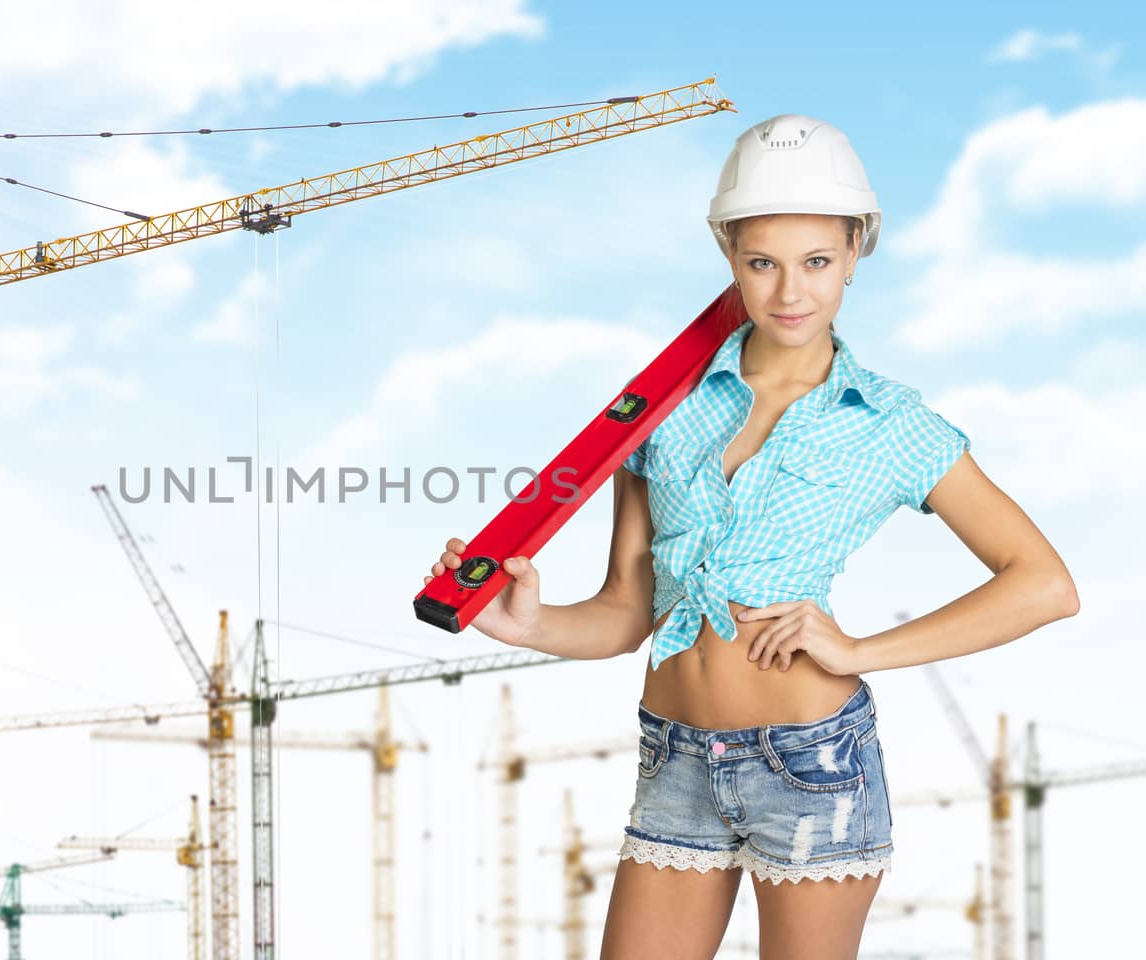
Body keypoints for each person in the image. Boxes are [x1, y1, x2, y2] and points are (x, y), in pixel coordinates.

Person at [424, 114, 1080, 959]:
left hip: (811, 766)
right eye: (761, 262)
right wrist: (529, 624)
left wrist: (858, 651)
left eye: (817, 262)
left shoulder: (891, 424)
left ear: (855, 253)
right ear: (728, 254)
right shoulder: (662, 406)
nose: (789, 293)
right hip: (673, 757)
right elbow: (629, 612)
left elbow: (1044, 584)